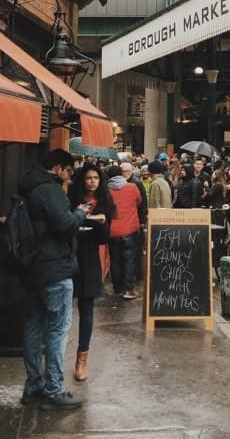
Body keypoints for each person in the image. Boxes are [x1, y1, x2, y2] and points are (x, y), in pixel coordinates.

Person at [19, 149, 90, 410]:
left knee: (33, 328)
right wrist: (80, 213)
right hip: (55, 268)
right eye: (68, 171)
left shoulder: (29, 187)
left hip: (33, 269)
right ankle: (53, 389)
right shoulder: (49, 190)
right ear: (58, 167)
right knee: (58, 330)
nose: (69, 177)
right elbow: (64, 224)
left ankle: (33, 386)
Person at [69, 163, 115, 381]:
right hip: (69, 256)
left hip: (89, 259)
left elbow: (104, 238)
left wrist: (100, 222)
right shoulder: (71, 199)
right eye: (88, 178)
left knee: (87, 310)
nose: (92, 182)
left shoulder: (104, 202)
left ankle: (82, 360)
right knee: (61, 310)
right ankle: (56, 358)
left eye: (96, 178)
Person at [106, 165, 142, 299]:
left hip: (112, 231)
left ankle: (117, 288)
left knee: (115, 259)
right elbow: (139, 201)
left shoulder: (105, 190)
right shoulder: (132, 187)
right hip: (130, 229)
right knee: (129, 259)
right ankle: (128, 289)